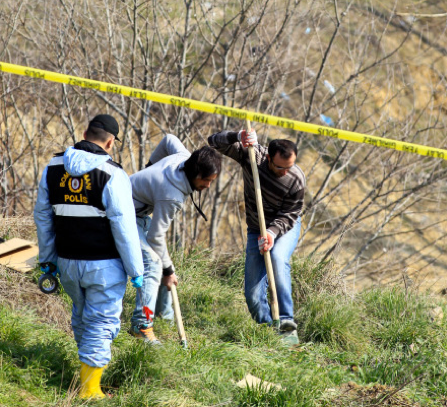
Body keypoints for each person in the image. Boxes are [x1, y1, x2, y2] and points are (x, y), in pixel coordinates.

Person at [34, 114, 144, 399]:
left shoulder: (52, 168)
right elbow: (124, 226)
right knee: (101, 322)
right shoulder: (113, 174)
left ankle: (85, 378)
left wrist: (48, 259)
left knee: (82, 318)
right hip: (104, 266)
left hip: (68, 262)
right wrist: (136, 268)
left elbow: (43, 217)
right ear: (110, 142)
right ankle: (89, 390)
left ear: (84, 133)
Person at [208, 129, 305, 344]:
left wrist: (272, 232)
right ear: (269, 158)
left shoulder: (296, 178)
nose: (286, 172)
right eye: (281, 167)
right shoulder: (252, 156)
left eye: (290, 166)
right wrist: (238, 136)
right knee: (252, 295)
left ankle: (287, 323)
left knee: (278, 258)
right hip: (256, 228)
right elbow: (214, 141)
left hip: (284, 226)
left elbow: (291, 214)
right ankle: (269, 331)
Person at [129, 134, 222, 343]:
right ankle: (141, 326)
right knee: (154, 263)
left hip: (138, 214)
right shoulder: (172, 196)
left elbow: (169, 138)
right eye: (206, 180)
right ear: (195, 173)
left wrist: (149, 167)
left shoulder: (184, 157)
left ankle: (166, 318)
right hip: (121, 216)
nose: (208, 186)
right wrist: (169, 271)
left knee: (162, 259)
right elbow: (155, 237)